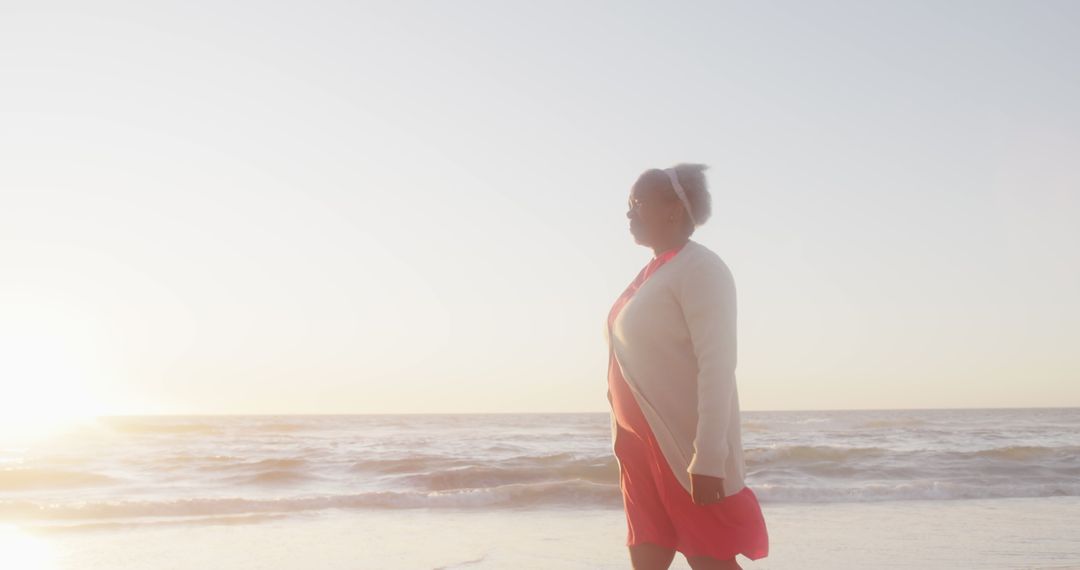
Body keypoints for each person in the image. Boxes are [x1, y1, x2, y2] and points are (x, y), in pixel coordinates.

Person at [605, 164, 769, 569]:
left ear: (673, 210)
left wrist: (709, 455)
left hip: (680, 448)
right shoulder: (651, 274)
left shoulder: (701, 268)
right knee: (646, 555)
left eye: (637, 204)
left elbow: (717, 365)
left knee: (710, 560)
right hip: (639, 446)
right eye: (628, 205)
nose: (628, 214)